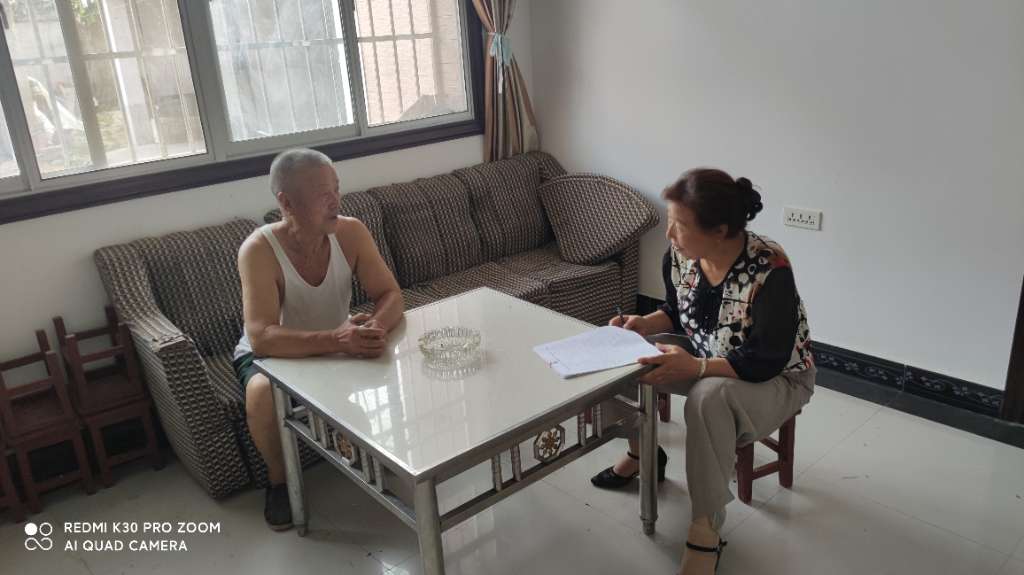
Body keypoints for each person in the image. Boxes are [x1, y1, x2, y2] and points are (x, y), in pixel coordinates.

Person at [590, 168, 815, 574]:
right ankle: (643, 452)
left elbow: (766, 358)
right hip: (707, 352)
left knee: (707, 398)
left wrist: (695, 367)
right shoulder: (681, 256)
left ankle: (705, 528)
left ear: (720, 232)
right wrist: (643, 325)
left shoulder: (770, 268)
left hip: (778, 377)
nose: (669, 234)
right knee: (620, 360)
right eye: (670, 220)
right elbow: (677, 312)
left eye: (679, 225)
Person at [232, 148, 404, 531]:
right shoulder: (258, 251)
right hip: (273, 354)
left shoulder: (351, 232)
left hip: (335, 340)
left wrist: (373, 328)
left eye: (337, 189)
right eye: (322, 194)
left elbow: (391, 295)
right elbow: (262, 337)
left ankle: (374, 444)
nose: (335, 201)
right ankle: (279, 481)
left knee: (392, 351)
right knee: (260, 393)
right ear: (286, 203)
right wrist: (339, 340)